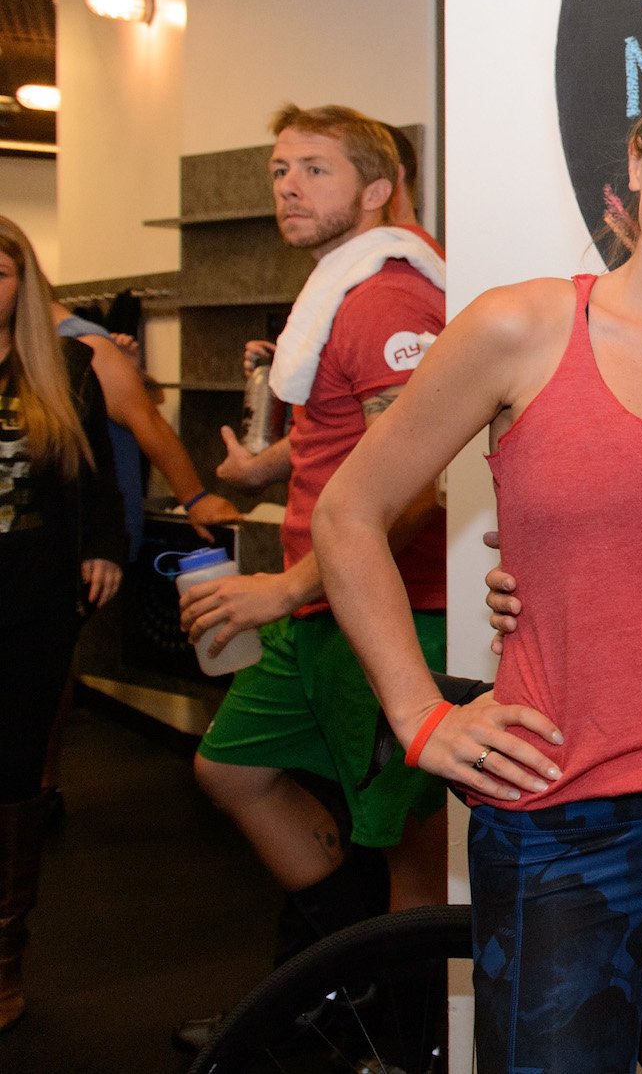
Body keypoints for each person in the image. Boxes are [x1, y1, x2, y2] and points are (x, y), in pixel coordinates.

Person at [317, 51, 642, 1074]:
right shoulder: (521, 326)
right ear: (635, 161)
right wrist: (421, 717)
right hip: (560, 813)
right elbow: (349, 516)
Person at [179, 104, 449, 983]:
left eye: (314, 169)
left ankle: (404, 1033)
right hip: (319, 600)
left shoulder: (389, 298)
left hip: (386, 607)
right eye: (279, 169)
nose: (288, 186)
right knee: (231, 769)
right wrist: (267, 469)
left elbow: (412, 477)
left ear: (378, 189)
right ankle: (333, 981)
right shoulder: (341, 290)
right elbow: (355, 420)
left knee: (412, 851)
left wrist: (287, 588)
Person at [0, 216, 125, 1033]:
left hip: (29, 592)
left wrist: (106, 548)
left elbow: (97, 474)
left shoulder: (66, 366)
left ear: (23, 282)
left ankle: (5, 960)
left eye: (1, 270)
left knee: (13, 773)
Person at [52, 301, 241, 548]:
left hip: (93, 543)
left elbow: (145, 417)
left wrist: (194, 497)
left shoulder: (83, 343)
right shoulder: (25, 345)